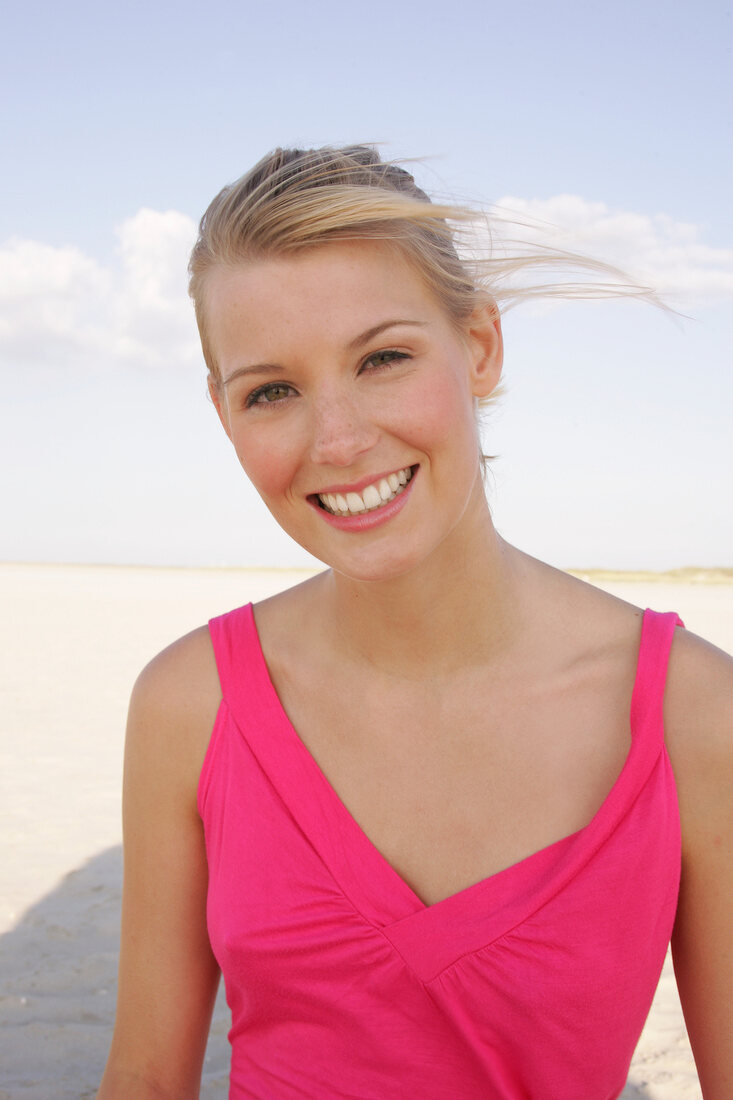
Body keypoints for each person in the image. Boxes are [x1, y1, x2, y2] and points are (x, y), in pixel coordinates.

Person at [97, 146, 733, 1099]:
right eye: (271, 390)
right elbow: (147, 1078)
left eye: (383, 358)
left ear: (478, 347)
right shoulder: (188, 704)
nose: (340, 441)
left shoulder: (692, 712)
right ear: (226, 416)